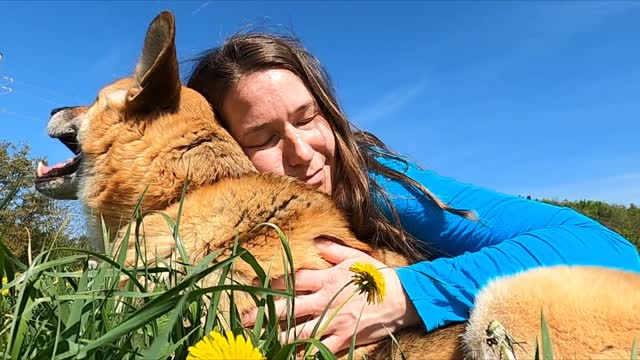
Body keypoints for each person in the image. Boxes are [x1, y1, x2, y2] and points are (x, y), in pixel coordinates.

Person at [185, 32, 640, 354]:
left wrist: (406, 294)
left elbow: (608, 248)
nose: (303, 153)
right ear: (225, 150)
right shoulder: (211, 229)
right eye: (264, 138)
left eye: (307, 118)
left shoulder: (378, 186)